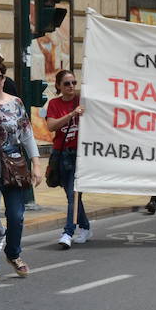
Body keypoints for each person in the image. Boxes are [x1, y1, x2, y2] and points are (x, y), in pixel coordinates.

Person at [0, 44, 44, 284]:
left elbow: (27, 134)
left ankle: (13, 254)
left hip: (14, 166)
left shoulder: (16, 103)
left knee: (16, 216)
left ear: (4, 76)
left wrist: (36, 164)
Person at [46, 70, 91, 249]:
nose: (71, 86)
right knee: (71, 195)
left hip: (78, 155)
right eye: (67, 83)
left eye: (73, 82)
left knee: (73, 194)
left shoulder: (83, 100)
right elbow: (51, 126)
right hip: (60, 154)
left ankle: (68, 232)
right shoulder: (54, 104)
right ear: (58, 86)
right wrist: (71, 114)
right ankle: (86, 227)